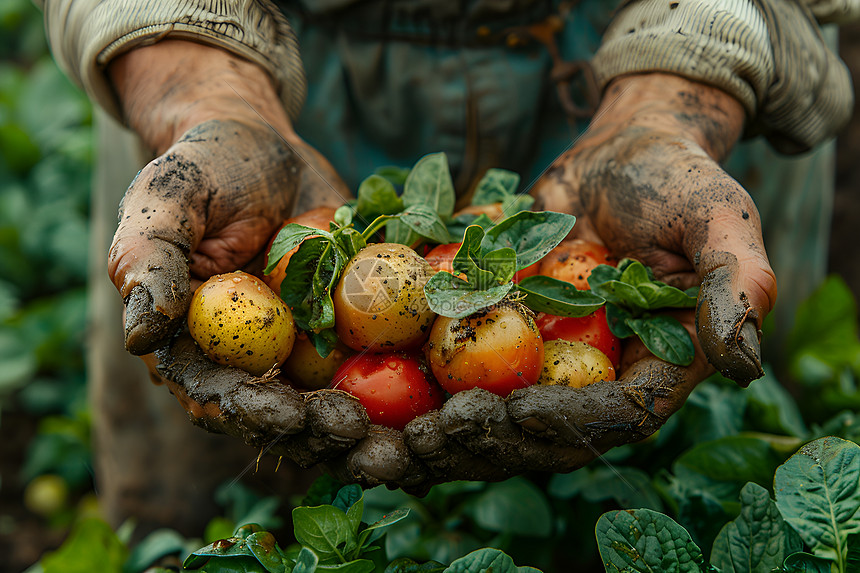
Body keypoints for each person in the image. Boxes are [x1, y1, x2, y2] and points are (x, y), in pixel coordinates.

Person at [37, 0, 856, 537]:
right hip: (242, 53)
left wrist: (683, 84)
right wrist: (196, 85)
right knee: (197, 525)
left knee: (718, 451)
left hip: (670, 46)